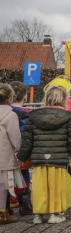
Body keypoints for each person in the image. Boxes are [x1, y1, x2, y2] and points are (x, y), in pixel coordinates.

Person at [18, 86, 71, 224]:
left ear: (46, 98)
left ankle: (38, 215)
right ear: (64, 99)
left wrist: (22, 157)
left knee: (39, 187)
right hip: (59, 158)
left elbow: (27, 139)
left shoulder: (33, 117)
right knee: (56, 186)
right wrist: (69, 152)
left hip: (39, 159)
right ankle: (55, 214)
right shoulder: (68, 117)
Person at [0, 84, 23, 224]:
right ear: (9, 98)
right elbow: (16, 139)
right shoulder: (11, 114)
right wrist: (20, 152)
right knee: (3, 185)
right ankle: (3, 213)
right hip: (4, 155)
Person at [9, 81, 32, 216]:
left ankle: (8, 205)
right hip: (22, 152)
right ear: (25, 97)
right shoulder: (26, 114)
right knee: (23, 176)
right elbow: (26, 136)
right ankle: (25, 204)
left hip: (6, 152)